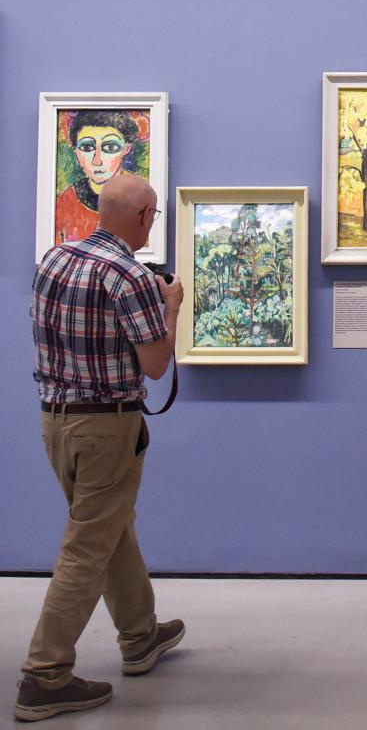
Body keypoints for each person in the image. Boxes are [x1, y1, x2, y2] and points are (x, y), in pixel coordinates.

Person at [16, 174, 185, 723]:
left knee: (109, 527)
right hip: (106, 427)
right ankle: (45, 676)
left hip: (55, 422)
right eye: (153, 216)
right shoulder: (129, 275)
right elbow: (155, 365)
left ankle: (140, 634)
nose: (152, 225)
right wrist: (172, 307)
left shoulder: (55, 258)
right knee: (87, 546)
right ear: (142, 217)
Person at [54, 110, 143, 246]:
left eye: (110, 147)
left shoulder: (142, 197)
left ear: (126, 149)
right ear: (76, 150)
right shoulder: (63, 203)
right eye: (87, 147)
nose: (97, 160)